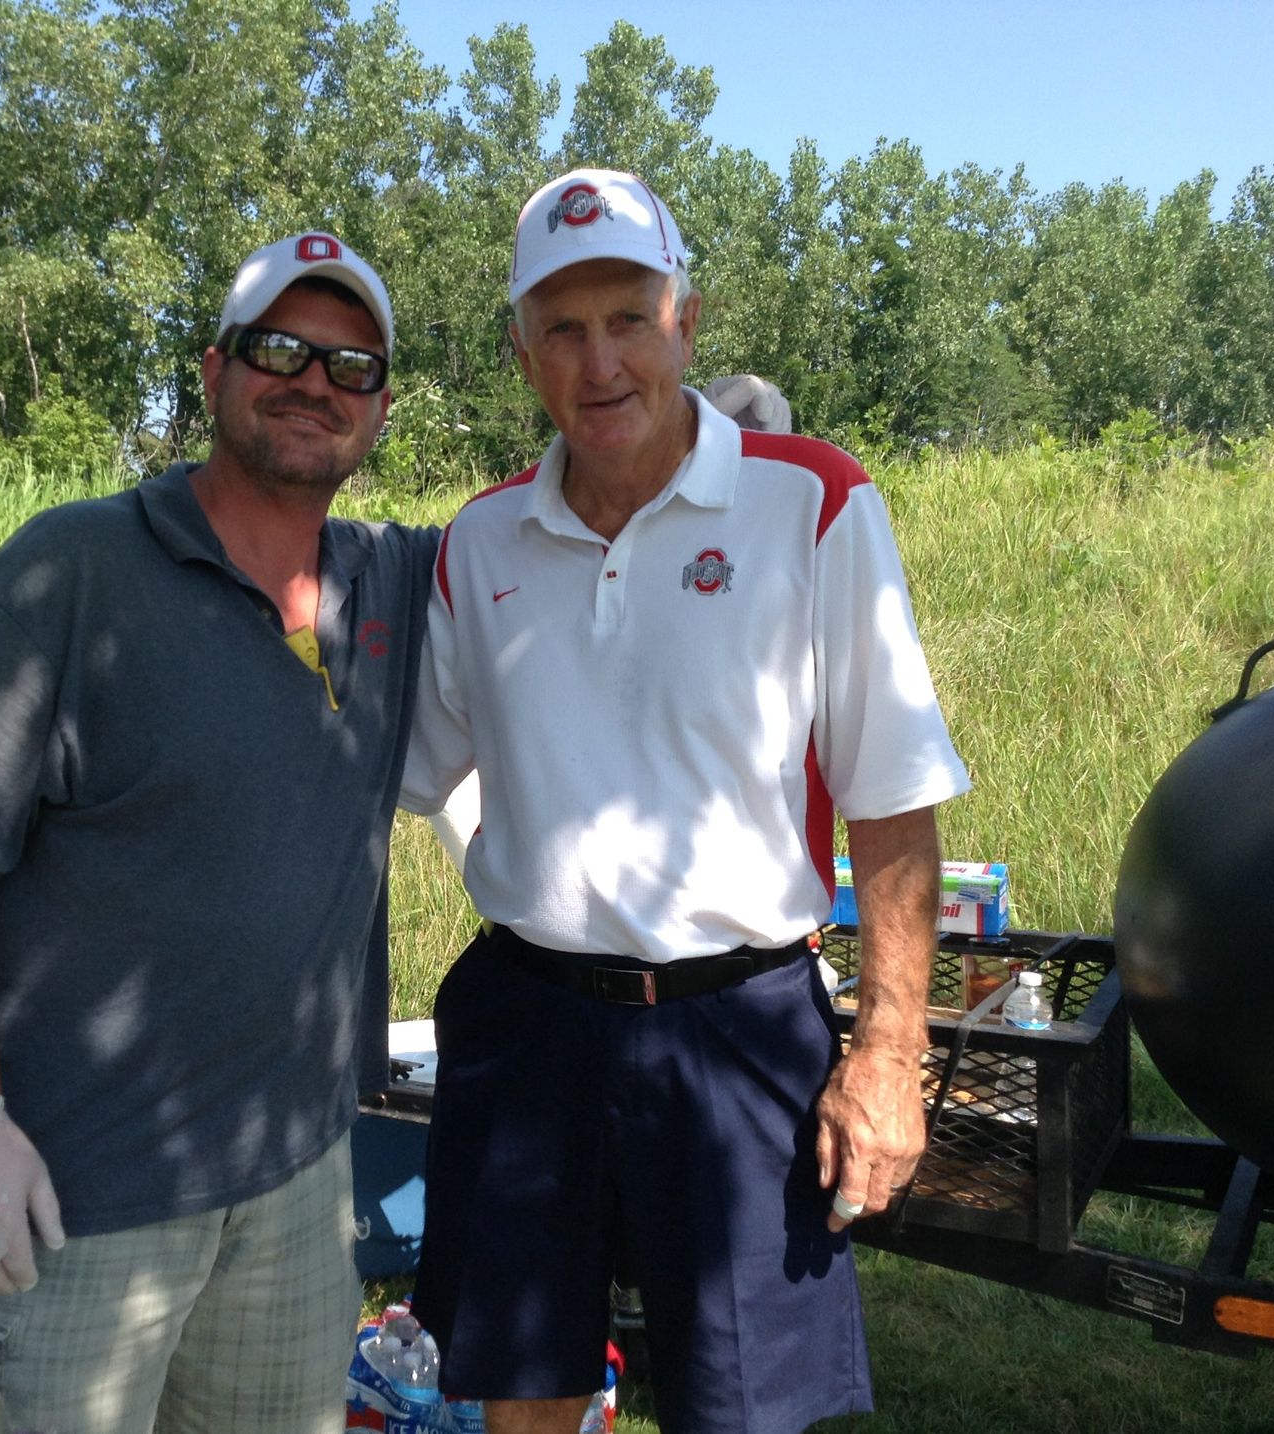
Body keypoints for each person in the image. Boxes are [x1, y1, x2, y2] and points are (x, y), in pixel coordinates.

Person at [397, 168, 972, 1434]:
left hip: (735, 1029)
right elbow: (414, 768)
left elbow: (891, 802)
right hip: (530, 1024)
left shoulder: (811, 500)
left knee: (745, 1409)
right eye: (562, 326)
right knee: (524, 1393)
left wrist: (888, 1054)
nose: (599, 360)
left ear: (686, 324)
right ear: (521, 351)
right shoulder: (479, 543)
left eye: (629, 318)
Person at [0, 231, 440, 1434]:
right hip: (73, 1199)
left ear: (381, 409)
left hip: (296, 1188)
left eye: (352, 366)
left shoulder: (391, 586)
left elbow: (583, 509)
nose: (315, 383)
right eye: (281, 348)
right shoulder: (73, 571)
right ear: (216, 368)